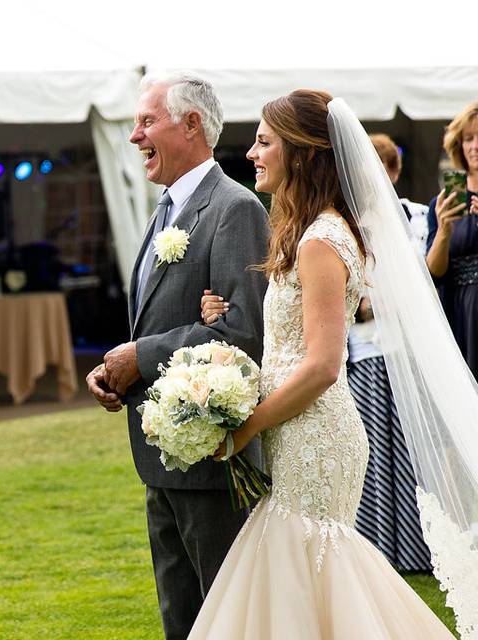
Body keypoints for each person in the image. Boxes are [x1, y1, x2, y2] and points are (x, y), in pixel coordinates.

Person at [191, 90, 453, 638]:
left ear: (304, 154)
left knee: (310, 562)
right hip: (298, 428)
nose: (251, 154)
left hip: (314, 433)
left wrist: (247, 428)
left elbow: (323, 365)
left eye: (265, 142)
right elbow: (290, 337)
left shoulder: (321, 240)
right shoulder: (311, 232)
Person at [84, 74, 270, 640]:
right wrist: (114, 369)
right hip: (161, 454)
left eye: (147, 122)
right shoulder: (166, 209)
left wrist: (141, 354)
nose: (135, 136)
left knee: (222, 617)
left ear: (192, 125)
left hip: (211, 459)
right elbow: (157, 317)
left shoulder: (234, 208)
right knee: (180, 617)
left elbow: (243, 334)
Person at [340, 134, 432, 571]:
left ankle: (416, 550)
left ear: (394, 172)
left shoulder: (415, 218)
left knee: (412, 454)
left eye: (383, 168)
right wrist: (364, 306)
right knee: (374, 455)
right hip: (366, 352)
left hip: (406, 351)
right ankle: (379, 552)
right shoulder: (347, 225)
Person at [425, 101, 478, 378]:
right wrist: (444, 231)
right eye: (468, 138)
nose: (475, 146)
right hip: (458, 310)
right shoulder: (442, 203)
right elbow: (434, 272)